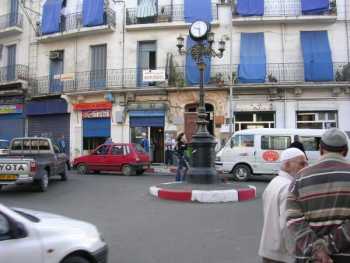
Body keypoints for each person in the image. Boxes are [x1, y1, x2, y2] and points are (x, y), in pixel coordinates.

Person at [286, 128, 350, 263]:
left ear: (320, 149)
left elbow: (293, 219)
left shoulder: (299, 178)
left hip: (309, 258)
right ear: (346, 150)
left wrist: (317, 249)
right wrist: (328, 246)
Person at [259, 148, 308, 263]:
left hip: (269, 249)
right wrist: (295, 253)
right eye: (302, 164)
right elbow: (287, 225)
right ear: (287, 165)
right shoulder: (288, 187)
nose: (306, 167)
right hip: (282, 254)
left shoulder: (275, 182)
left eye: (306, 163)